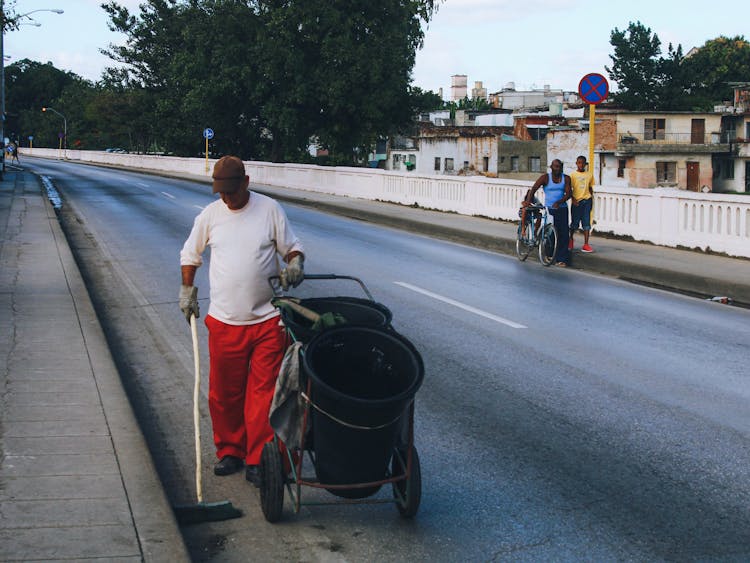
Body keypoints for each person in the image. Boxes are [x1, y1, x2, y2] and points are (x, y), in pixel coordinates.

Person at [179, 155, 305, 485]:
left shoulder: (269, 210)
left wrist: (294, 265)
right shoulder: (211, 215)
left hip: (267, 319)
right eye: (221, 192)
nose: (226, 198)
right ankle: (230, 451)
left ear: (246, 183)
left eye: (231, 192)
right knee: (224, 393)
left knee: (262, 393)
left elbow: (291, 248)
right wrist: (187, 289)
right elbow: (190, 254)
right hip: (224, 319)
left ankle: (258, 457)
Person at [524, 159, 572, 267]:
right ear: (551, 167)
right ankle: (549, 254)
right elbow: (534, 188)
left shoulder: (566, 178)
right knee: (550, 233)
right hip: (550, 209)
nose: (557, 169)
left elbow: (569, 194)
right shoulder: (545, 177)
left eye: (559, 167)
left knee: (564, 233)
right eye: (555, 166)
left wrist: (559, 202)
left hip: (562, 209)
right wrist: (528, 201)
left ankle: (562, 259)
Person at [569, 155, 594, 252]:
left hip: (587, 201)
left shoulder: (589, 175)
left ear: (585, 164)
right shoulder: (573, 175)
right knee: (574, 223)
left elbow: (590, 187)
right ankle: (570, 240)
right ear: (576, 163)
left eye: (583, 163)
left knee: (586, 223)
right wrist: (573, 199)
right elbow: (569, 188)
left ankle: (586, 244)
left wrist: (590, 199)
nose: (581, 165)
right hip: (576, 202)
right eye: (579, 163)